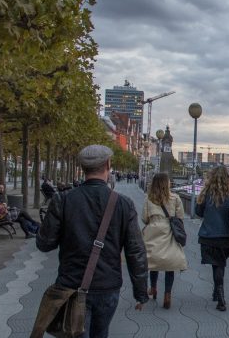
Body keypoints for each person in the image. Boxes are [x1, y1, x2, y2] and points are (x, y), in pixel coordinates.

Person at [36, 144, 149, 338]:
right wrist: (140, 293)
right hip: (108, 286)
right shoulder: (124, 204)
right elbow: (136, 252)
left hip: (71, 285)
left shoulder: (62, 200)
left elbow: (45, 244)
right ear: (108, 164)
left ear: (82, 168)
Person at [194, 166, 229, 311]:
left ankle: (219, 294)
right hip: (227, 237)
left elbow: (198, 212)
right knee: (220, 263)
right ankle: (217, 291)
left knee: (217, 264)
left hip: (209, 236)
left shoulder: (206, 193)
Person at [142, 172, 187, 309]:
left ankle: (153, 288)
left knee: (154, 261)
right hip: (169, 232)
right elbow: (180, 217)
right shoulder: (175, 198)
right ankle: (167, 295)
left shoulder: (149, 199)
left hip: (153, 231)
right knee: (169, 264)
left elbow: (144, 218)